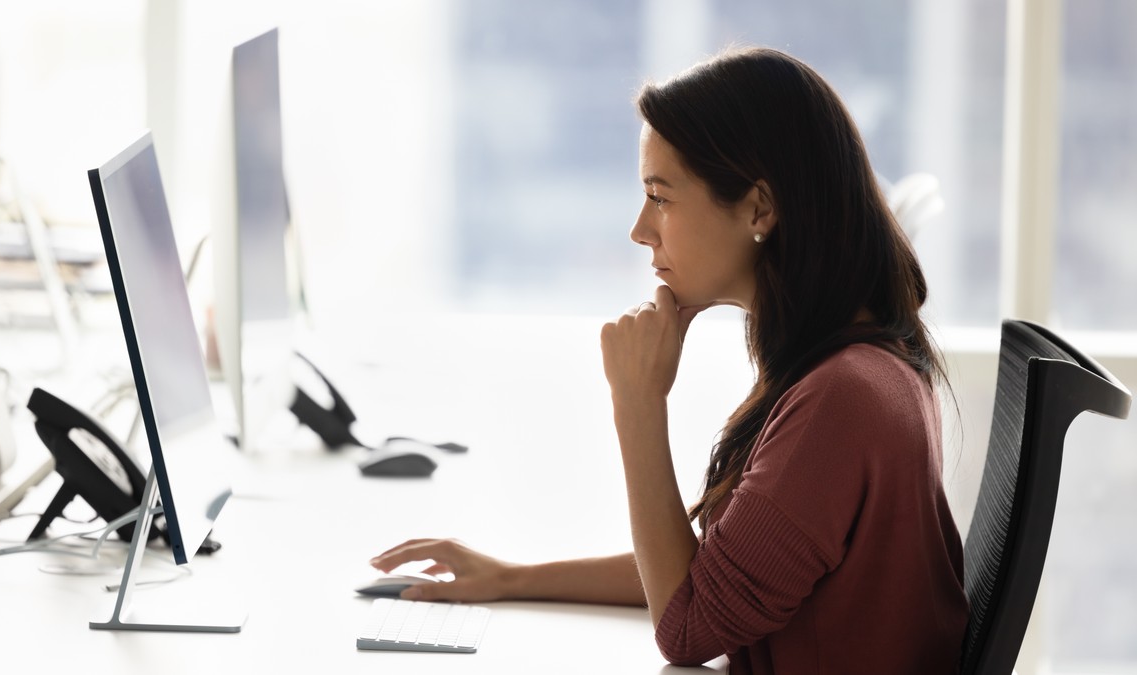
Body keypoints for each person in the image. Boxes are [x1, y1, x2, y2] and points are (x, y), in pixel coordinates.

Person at [370, 46, 969, 673]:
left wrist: (637, 402)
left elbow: (687, 628)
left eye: (660, 197)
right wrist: (510, 577)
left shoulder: (839, 400)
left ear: (759, 208)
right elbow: (715, 576)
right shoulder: (859, 365)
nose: (640, 230)